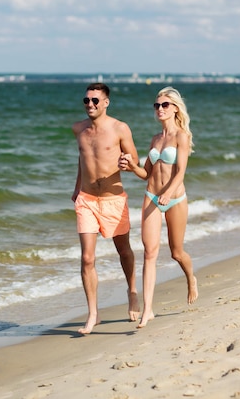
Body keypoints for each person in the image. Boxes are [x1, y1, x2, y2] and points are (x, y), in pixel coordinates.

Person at [119, 86, 198, 328]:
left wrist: (168, 193)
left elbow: (180, 172)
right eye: (157, 105)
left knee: (176, 252)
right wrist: (132, 167)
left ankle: (191, 278)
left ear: (175, 108)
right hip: (152, 196)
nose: (160, 109)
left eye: (165, 105)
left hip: (175, 198)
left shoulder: (181, 137)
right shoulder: (155, 139)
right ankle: (147, 311)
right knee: (149, 253)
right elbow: (147, 174)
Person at [72, 82, 140, 334]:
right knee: (87, 258)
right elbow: (83, 159)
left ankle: (132, 291)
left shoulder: (120, 128)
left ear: (106, 102)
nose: (90, 104)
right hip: (87, 200)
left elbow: (135, 160)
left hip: (114, 200)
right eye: (86, 100)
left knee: (123, 251)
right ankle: (93, 314)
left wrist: (128, 163)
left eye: (95, 101)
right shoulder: (79, 129)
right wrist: (77, 187)